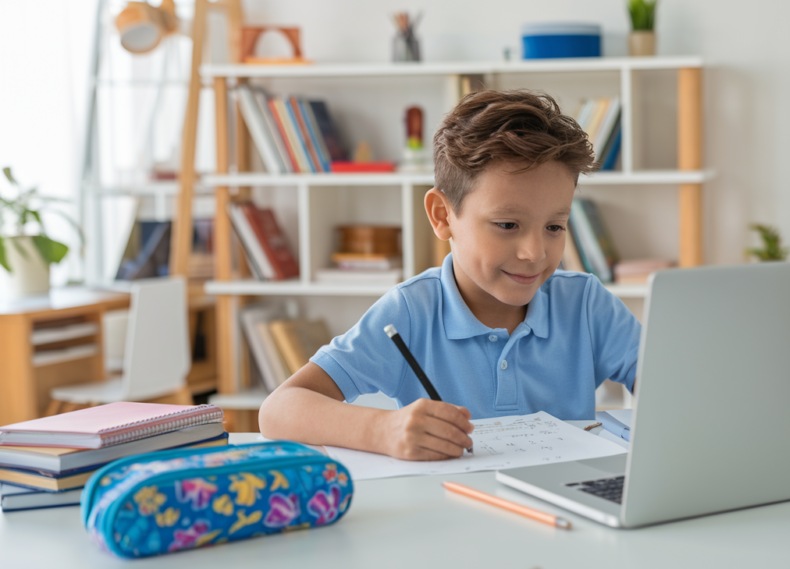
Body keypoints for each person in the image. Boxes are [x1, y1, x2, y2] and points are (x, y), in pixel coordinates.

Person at [259, 90, 641, 461]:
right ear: (443, 216)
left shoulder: (586, 305)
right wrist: (383, 431)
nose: (535, 253)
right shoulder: (410, 312)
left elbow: (674, 385)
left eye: (555, 227)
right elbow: (278, 411)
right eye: (508, 224)